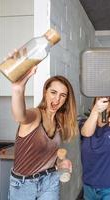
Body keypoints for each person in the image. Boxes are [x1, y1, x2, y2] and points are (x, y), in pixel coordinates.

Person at [8, 65, 77, 200]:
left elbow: (48, 154)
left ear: (66, 100)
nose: (57, 99)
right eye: (53, 92)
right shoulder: (35, 115)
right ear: (45, 92)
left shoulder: (59, 123)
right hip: (23, 185)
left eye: (62, 95)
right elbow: (20, 116)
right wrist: (18, 90)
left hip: (50, 180)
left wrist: (61, 162)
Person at [79, 89, 110, 200]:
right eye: (100, 98)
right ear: (94, 103)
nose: (105, 101)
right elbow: (86, 132)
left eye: (109, 100)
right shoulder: (84, 123)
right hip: (89, 186)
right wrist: (95, 111)